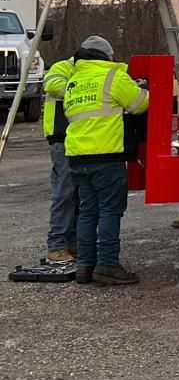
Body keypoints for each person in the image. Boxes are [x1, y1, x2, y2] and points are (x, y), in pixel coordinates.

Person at [63, 35, 149, 287]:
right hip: (107, 156)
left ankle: (85, 266)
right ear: (106, 56)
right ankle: (108, 265)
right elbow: (139, 104)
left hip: (78, 157)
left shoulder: (74, 81)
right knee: (110, 211)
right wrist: (144, 88)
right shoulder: (113, 76)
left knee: (88, 212)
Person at [42, 51, 78, 264]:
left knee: (77, 194)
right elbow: (53, 85)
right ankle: (56, 246)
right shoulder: (63, 68)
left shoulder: (84, 71)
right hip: (62, 139)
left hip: (78, 140)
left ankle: (72, 242)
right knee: (64, 193)